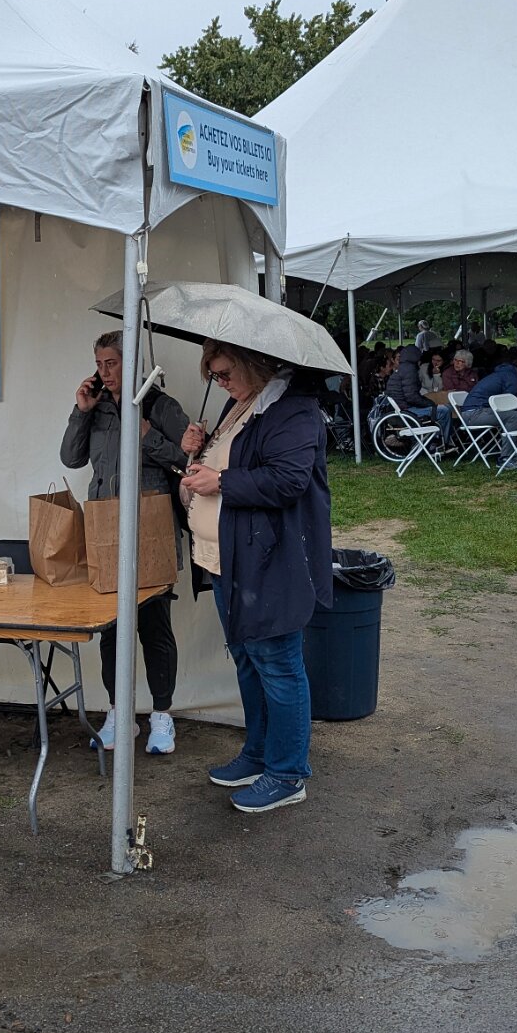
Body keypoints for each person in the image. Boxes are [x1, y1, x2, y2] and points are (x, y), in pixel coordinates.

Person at [180, 341, 331, 816]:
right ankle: (259, 753)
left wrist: (221, 481)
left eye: (225, 372)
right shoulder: (243, 404)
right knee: (248, 660)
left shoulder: (294, 409)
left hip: (269, 560)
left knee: (278, 665)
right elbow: (234, 462)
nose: (220, 382)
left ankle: (287, 773)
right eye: (215, 376)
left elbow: (289, 480)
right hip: (228, 559)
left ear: (253, 363)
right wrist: (199, 452)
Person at [60, 330, 189, 754]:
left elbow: (189, 460)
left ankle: (162, 716)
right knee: (111, 630)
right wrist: (81, 412)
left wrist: (149, 435)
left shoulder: (160, 405)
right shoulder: (96, 407)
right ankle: (120, 713)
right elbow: (71, 458)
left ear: (130, 361)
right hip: (105, 530)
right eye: (99, 364)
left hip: (150, 529)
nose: (104, 372)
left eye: (111, 363)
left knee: (154, 626)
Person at [384, 345, 455, 447]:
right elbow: (412, 397)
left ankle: (439, 440)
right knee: (444, 410)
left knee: (445, 407)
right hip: (407, 410)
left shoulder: (403, 368)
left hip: (402, 407)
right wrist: (429, 403)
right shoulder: (410, 371)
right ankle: (439, 442)